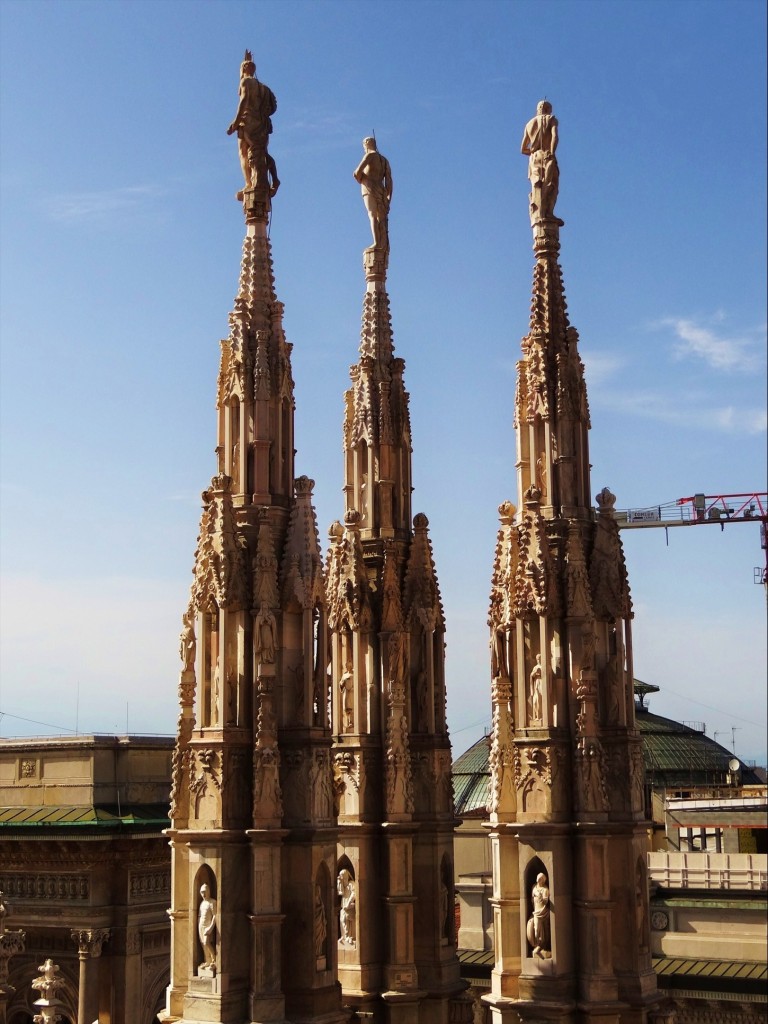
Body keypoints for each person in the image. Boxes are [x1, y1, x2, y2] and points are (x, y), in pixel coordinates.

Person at [226, 51, 280, 197]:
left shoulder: (245, 82)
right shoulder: (263, 88)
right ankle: (274, 179)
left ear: (243, 69)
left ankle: (249, 183)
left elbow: (244, 101)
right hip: (262, 123)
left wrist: (235, 122)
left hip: (247, 121)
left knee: (243, 152)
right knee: (261, 152)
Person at [520, 101, 560, 221]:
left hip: (534, 157)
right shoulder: (551, 119)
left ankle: (539, 213)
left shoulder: (529, 124)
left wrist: (533, 152)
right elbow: (554, 137)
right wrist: (551, 152)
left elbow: (523, 149)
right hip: (547, 154)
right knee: (551, 185)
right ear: (547, 109)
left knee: (537, 185)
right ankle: (547, 213)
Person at [353, 137, 393, 251]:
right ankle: (382, 243)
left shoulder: (369, 156)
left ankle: (376, 242)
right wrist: (388, 198)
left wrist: (362, 179)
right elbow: (389, 181)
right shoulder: (384, 161)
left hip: (369, 188)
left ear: (366, 144)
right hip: (381, 190)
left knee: (372, 215)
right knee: (381, 218)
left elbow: (357, 173)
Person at [528, 872, 551, 957]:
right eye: (538, 878)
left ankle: (542, 946)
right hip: (536, 911)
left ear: (543, 881)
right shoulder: (534, 887)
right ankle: (538, 944)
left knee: (543, 929)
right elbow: (532, 899)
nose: (538, 880)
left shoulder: (545, 889)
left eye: (540, 879)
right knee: (536, 929)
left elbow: (546, 901)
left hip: (543, 911)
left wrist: (541, 898)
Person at [198, 883, 217, 969]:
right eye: (202, 892)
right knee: (203, 944)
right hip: (201, 926)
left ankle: (214, 959)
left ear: (208, 892)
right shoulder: (202, 903)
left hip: (208, 926)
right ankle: (207, 961)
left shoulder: (212, 902)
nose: (203, 894)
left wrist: (210, 928)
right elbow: (199, 916)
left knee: (207, 942)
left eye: (205, 892)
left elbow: (215, 916)